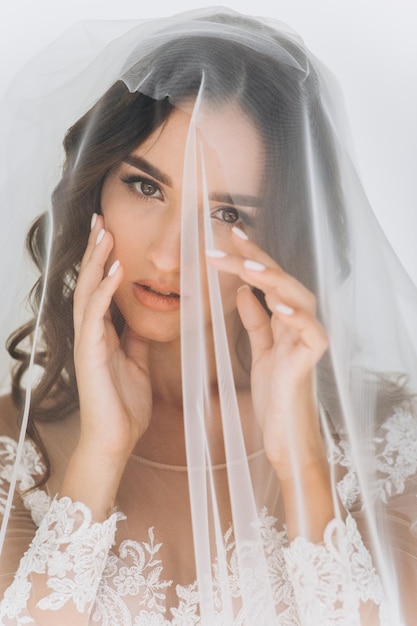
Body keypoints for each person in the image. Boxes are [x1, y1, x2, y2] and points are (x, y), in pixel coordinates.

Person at [0, 7, 417, 625]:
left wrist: (302, 460)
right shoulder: (14, 448)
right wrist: (101, 454)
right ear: (94, 188)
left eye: (229, 214)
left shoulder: (390, 441)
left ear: (287, 233)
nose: (170, 254)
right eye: (146, 187)